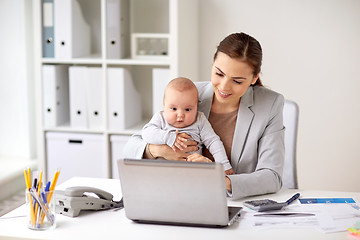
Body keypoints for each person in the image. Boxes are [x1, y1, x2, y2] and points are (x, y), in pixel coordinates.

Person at [123, 32, 285, 200]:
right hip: (180, 196)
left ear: (254, 78)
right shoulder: (189, 95)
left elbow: (272, 177)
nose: (224, 87)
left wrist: (221, 179)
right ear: (213, 63)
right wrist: (160, 150)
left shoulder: (270, 104)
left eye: (237, 81)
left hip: (234, 203)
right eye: (219, 74)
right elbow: (130, 148)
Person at [141, 77, 234, 175]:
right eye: (173, 108)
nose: (180, 114)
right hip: (162, 173)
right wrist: (168, 137)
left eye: (188, 109)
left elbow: (213, 141)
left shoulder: (199, 119)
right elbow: (146, 133)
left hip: (192, 173)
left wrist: (224, 164)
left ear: (196, 107)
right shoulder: (160, 117)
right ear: (164, 105)